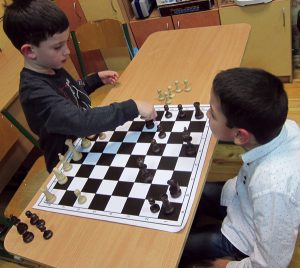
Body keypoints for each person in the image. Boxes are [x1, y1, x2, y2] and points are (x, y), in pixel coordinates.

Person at [3, 0, 157, 173]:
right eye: (57, 46)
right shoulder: (34, 93)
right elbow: (80, 121)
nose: (67, 51)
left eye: (66, 42)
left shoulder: (50, 67)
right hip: (68, 164)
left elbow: (71, 89)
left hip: (85, 144)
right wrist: (132, 107)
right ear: (30, 51)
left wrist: (95, 79)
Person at [180, 68, 300, 267]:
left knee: (178, 247)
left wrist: (226, 266)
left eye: (213, 113)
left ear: (240, 136)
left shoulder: (272, 188)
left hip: (243, 238)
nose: (207, 114)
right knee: (188, 196)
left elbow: (271, 264)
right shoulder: (285, 126)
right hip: (241, 197)